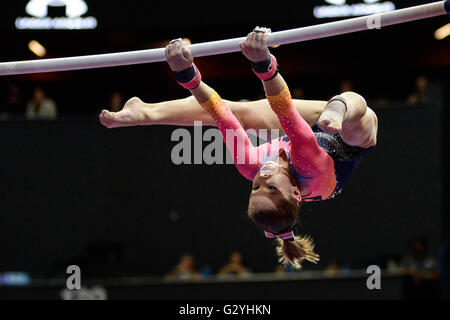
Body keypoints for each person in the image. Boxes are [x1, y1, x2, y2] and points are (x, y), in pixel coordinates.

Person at [100, 28, 378, 269]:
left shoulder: (251, 167)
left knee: (238, 112)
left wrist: (186, 74)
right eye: (270, 188)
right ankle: (339, 107)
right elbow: (285, 112)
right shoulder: (310, 169)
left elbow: (221, 115)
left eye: (255, 188)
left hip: (311, 130)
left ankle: (144, 113)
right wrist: (264, 64)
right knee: (360, 119)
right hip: (347, 139)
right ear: (295, 192)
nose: (262, 180)